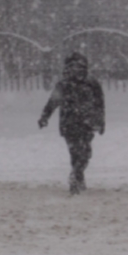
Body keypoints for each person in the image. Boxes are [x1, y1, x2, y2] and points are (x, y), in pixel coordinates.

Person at [39, 51, 106, 195]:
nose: (77, 70)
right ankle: (76, 176)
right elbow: (53, 102)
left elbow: (99, 104)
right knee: (82, 153)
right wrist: (45, 116)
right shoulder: (71, 84)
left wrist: (100, 121)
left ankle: (77, 177)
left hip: (75, 123)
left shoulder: (87, 83)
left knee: (79, 153)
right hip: (79, 123)